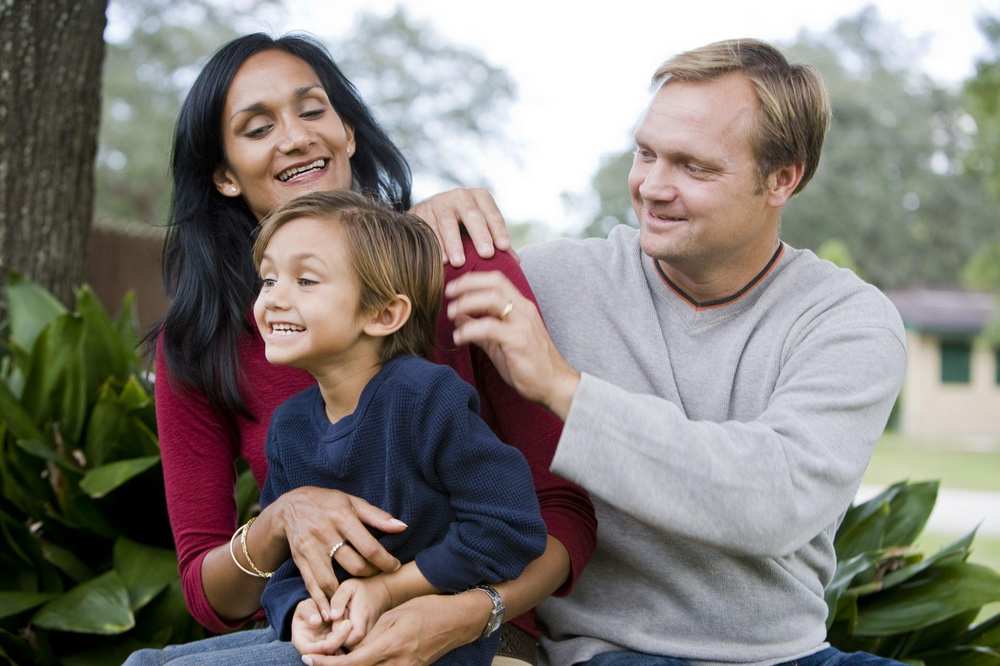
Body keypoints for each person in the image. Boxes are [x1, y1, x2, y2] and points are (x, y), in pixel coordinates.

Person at [446, 39, 907, 665]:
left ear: (782, 178)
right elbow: (362, 317)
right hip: (612, 652)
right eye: (646, 154)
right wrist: (426, 225)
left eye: (694, 167)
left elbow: (773, 500)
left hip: (789, 656)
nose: (652, 187)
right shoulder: (547, 284)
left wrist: (563, 388)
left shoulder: (846, 320)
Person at [149, 32, 595, 665]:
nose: (296, 136)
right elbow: (209, 590)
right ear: (223, 174)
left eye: (312, 109)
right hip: (321, 632)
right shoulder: (207, 347)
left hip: (475, 628)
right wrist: (282, 525)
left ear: (349, 133)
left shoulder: (456, 266)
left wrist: (460, 613)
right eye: (257, 127)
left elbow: (560, 509)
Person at [129, 191, 549, 665]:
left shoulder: (426, 398)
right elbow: (288, 571)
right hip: (334, 635)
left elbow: (509, 527)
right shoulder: (290, 428)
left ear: (383, 314)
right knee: (145, 662)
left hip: (426, 643)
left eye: (305, 280)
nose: (274, 299)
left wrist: (391, 589)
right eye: (268, 279)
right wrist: (299, 613)